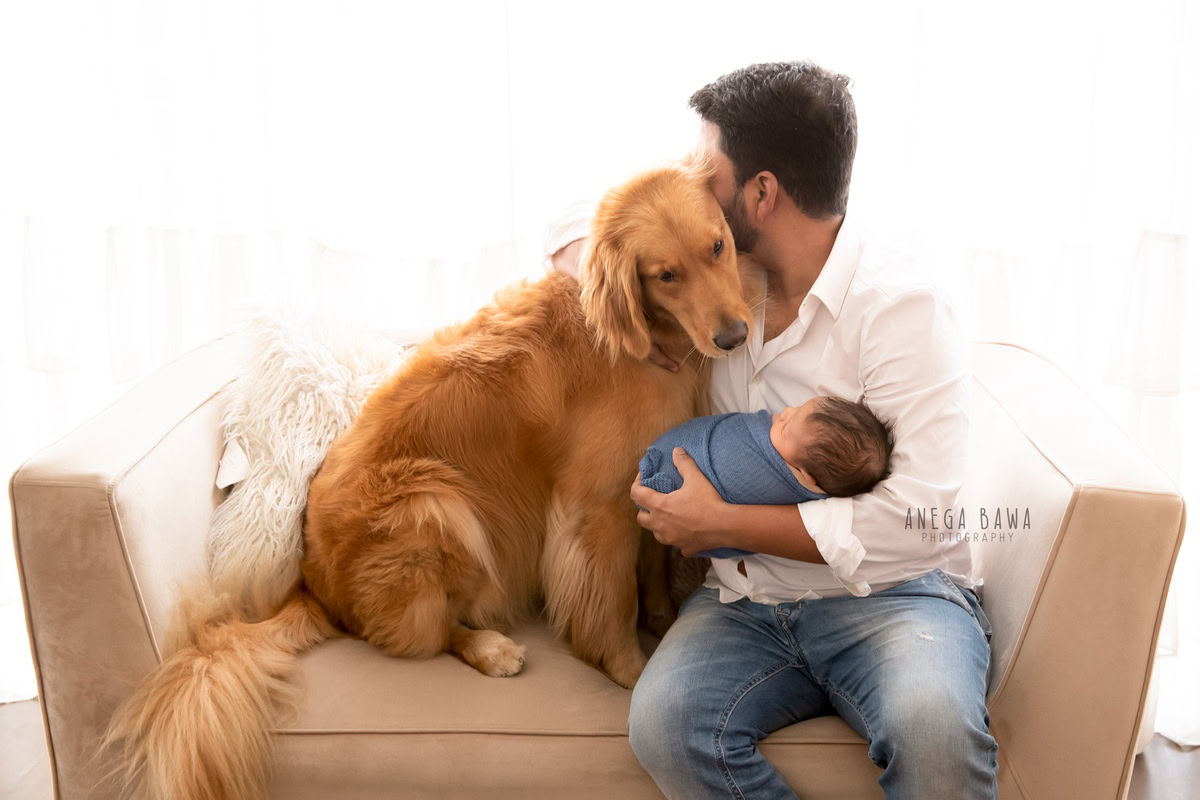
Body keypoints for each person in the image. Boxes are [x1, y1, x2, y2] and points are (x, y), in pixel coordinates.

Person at [548, 60, 996, 799]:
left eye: (708, 169)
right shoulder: (719, 283)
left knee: (938, 733)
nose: (692, 178)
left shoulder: (902, 307)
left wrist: (724, 523)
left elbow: (918, 520)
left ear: (761, 194)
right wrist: (597, 273)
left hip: (893, 597)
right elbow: (576, 218)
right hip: (745, 602)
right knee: (664, 724)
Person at [638, 397, 894, 559]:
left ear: (806, 477)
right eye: (796, 409)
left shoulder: (781, 485)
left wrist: (716, 519)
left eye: (784, 429)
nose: (784, 412)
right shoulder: (805, 448)